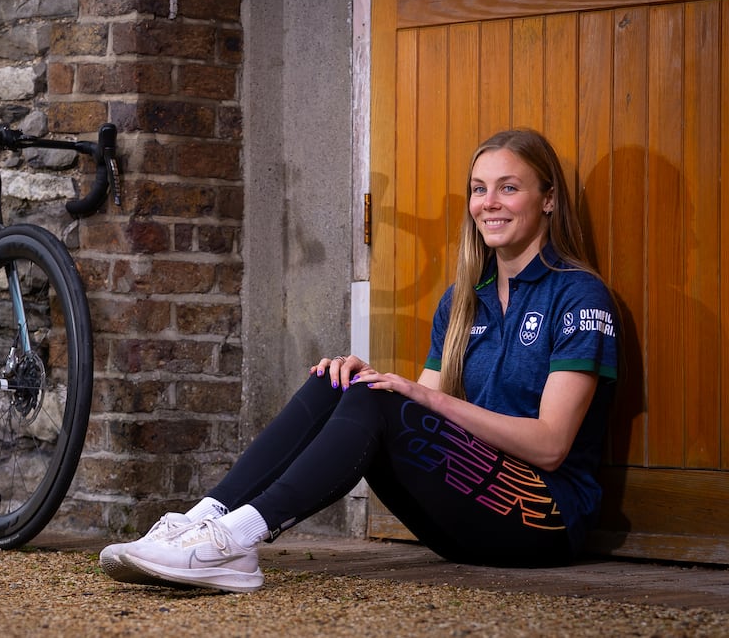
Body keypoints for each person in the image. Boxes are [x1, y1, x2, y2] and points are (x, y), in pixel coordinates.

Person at [99, 128, 619, 593]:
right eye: (479, 189)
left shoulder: (578, 296)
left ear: (548, 198)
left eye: (510, 187)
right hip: (469, 510)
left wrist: (414, 394)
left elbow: (550, 447)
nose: (489, 203)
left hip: (543, 518)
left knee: (383, 396)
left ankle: (237, 538)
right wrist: (368, 382)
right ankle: (200, 520)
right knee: (339, 381)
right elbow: (423, 425)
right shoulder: (463, 299)